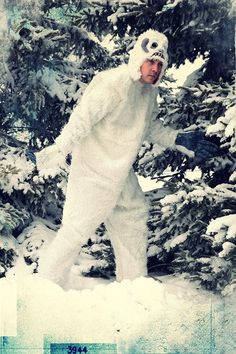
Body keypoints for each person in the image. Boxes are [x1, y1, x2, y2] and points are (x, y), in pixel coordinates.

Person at [36, 29, 218, 287]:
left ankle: (134, 285)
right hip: (93, 171)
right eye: (151, 61)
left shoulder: (148, 92)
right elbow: (82, 118)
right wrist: (58, 149)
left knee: (133, 216)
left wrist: (177, 139)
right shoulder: (113, 83)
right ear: (138, 59)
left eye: (160, 64)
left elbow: (149, 127)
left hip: (120, 173)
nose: (155, 68)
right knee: (76, 229)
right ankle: (44, 287)